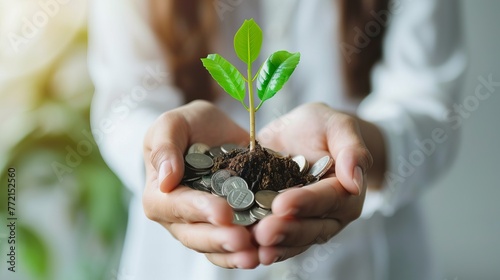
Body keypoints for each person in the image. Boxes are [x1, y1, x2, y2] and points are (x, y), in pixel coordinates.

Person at [88, 0, 466, 279]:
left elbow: (429, 104)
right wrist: (162, 156)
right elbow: (124, 104)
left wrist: (358, 146)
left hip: (367, 260)